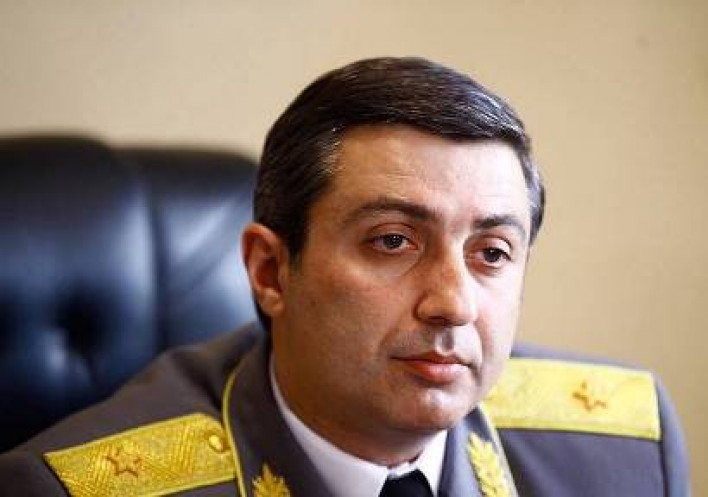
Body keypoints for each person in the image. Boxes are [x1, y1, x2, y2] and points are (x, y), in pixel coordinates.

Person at [0, 57, 689, 496]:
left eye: (492, 253)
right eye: (393, 241)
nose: (453, 304)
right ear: (271, 271)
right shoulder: (70, 491)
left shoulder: (625, 450)